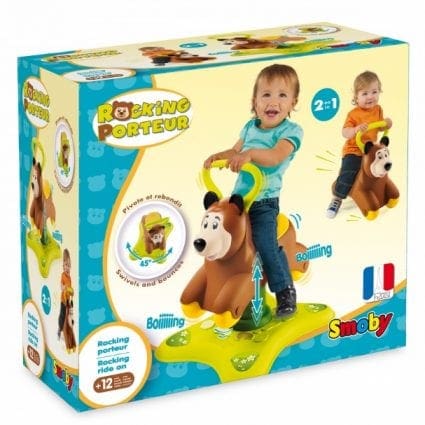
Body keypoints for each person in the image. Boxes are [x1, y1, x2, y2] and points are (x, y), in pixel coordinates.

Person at [204, 64, 303, 317]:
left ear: (293, 103)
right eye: (266, 94)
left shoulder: (290, 132)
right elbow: (234, 152)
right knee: (220, 238)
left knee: (265, 244)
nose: (273, 101)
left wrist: (250, 155)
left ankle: (285, 290)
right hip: (239, 202)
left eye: (282, 95)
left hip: (264, 202)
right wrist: (218, 156)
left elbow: (275, 156)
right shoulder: (249, 127)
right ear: (255, 102)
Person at [326, 71, 392, 218]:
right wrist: (355, 129)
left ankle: (378, 191)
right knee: (350, 171)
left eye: (374, 92)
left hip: (370, 149)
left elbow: (380, 127)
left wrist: (387, 124)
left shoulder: (378, 109)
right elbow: (345, 132)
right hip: (354, 150)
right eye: (365, 93)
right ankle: (337, 198)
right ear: (356, 97)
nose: (370, 97)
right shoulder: (353, 114)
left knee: (380, 168)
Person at [57, 248, 73, 339]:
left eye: (69, 265)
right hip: (63, 299)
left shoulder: (70, 277)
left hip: (68, 299)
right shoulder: (63, 275)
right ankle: (60, 329)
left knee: (69, 314)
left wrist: (71, 292)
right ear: (63, 266)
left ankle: (67, 329)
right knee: (62, 314)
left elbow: (70, 289)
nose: (68, 267)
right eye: (66, 265)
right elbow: (61, 285)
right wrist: (64, 287)